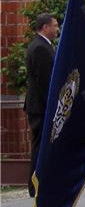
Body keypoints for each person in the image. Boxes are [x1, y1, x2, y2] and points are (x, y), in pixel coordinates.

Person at [24, 13, 59, 197]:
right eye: (55, 25)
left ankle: (41, 182)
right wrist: (51, 106)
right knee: (40, 144)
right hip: (40, 107)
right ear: (45, 27)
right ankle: (35, 185)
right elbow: (44, 81)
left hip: (40, 105)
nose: (57, 29)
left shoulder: (44, 46)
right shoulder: (40, 48)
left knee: (42, 144)